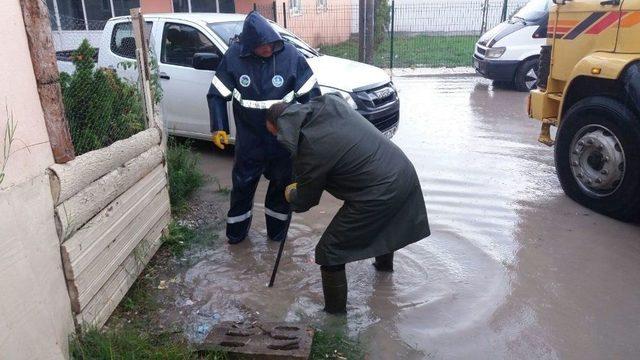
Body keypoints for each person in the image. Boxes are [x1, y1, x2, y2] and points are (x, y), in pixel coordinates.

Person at [265, 94, 431, 314]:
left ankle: (334, 319)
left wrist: (291, 194)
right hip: (403, 172)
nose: (278, 140)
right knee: (385, 227)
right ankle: (384, 274)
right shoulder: (329, 106)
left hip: (379, 192)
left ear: (282, 127)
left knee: (329, 250)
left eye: (276, 135)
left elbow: (306, 200)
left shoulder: (311, 147)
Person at [207, 11, 320, 244]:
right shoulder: (234, 58)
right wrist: (219, 127)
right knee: (242, 188)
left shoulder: (291, 56)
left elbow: (312, 99)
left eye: (270, 44)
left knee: (281, 189)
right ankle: (236, 238)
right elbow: (217, 94)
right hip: (250, 140)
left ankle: (277, 237)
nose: (267, 49)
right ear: (249, 46)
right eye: (261, 46)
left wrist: (312, 135)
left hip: (282, 141)